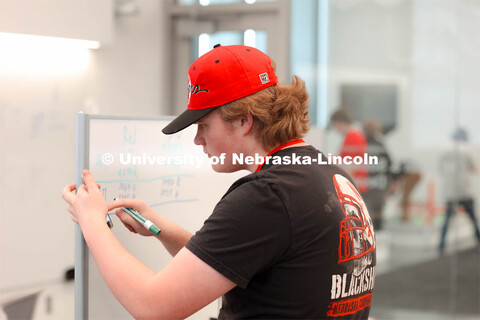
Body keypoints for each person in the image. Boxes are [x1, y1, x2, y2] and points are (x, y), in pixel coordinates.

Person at [62, 44, 376, 319]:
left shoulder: (267, 197)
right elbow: (236, 264)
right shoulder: (324, 173)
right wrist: (162, 229)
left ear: (243, 120)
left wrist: (92, 223)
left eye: (204, 125)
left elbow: (152, 306)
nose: (197, 140)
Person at [439, 128, 480, 252]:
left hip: (451, 193)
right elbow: (474, 169)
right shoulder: (466, 151)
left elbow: (442, 170)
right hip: (464, 192)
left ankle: (441, 246)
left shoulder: (446, 152)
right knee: (473, 220)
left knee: (447, 221)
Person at [362, 119, 392, 230]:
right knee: (378, 213)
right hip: (379, 186)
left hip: (365, 186)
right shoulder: (381, 145)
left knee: (365, 215)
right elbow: (389, 165)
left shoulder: (360, 144)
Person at [330, 108, 369, 193]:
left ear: (340, 122)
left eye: (335, 125)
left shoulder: (352, 138)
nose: (336, 129)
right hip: (357, 185)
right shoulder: (357, 135)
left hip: (354, 186)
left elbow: (349, 167)